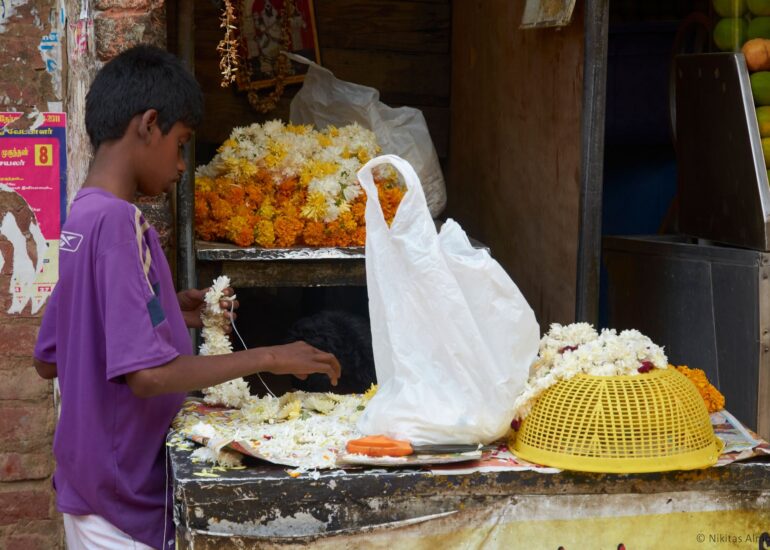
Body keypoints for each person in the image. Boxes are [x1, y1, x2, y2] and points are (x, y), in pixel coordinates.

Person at [32, 44, 341, 550]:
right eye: (180, 145)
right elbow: (149, 375)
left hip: (90, 485)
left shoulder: (82, 217)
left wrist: (172, 309)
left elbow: (53, 354)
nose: (181, 166)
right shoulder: (117, 223)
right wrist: (269, 356)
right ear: (148, 125)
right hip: (119, 497)